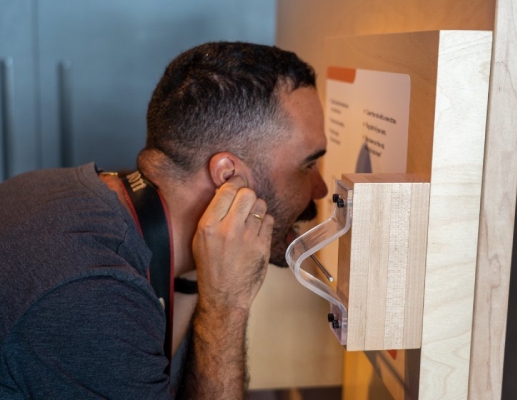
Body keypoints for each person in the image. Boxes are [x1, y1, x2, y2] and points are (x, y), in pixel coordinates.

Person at [0, 42, 328, 399]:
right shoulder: (91, 294)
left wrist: (200, 272)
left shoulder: (68, 194)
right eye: (308, 166)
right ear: (228, 176)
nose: (321, 188)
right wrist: (227, 305)